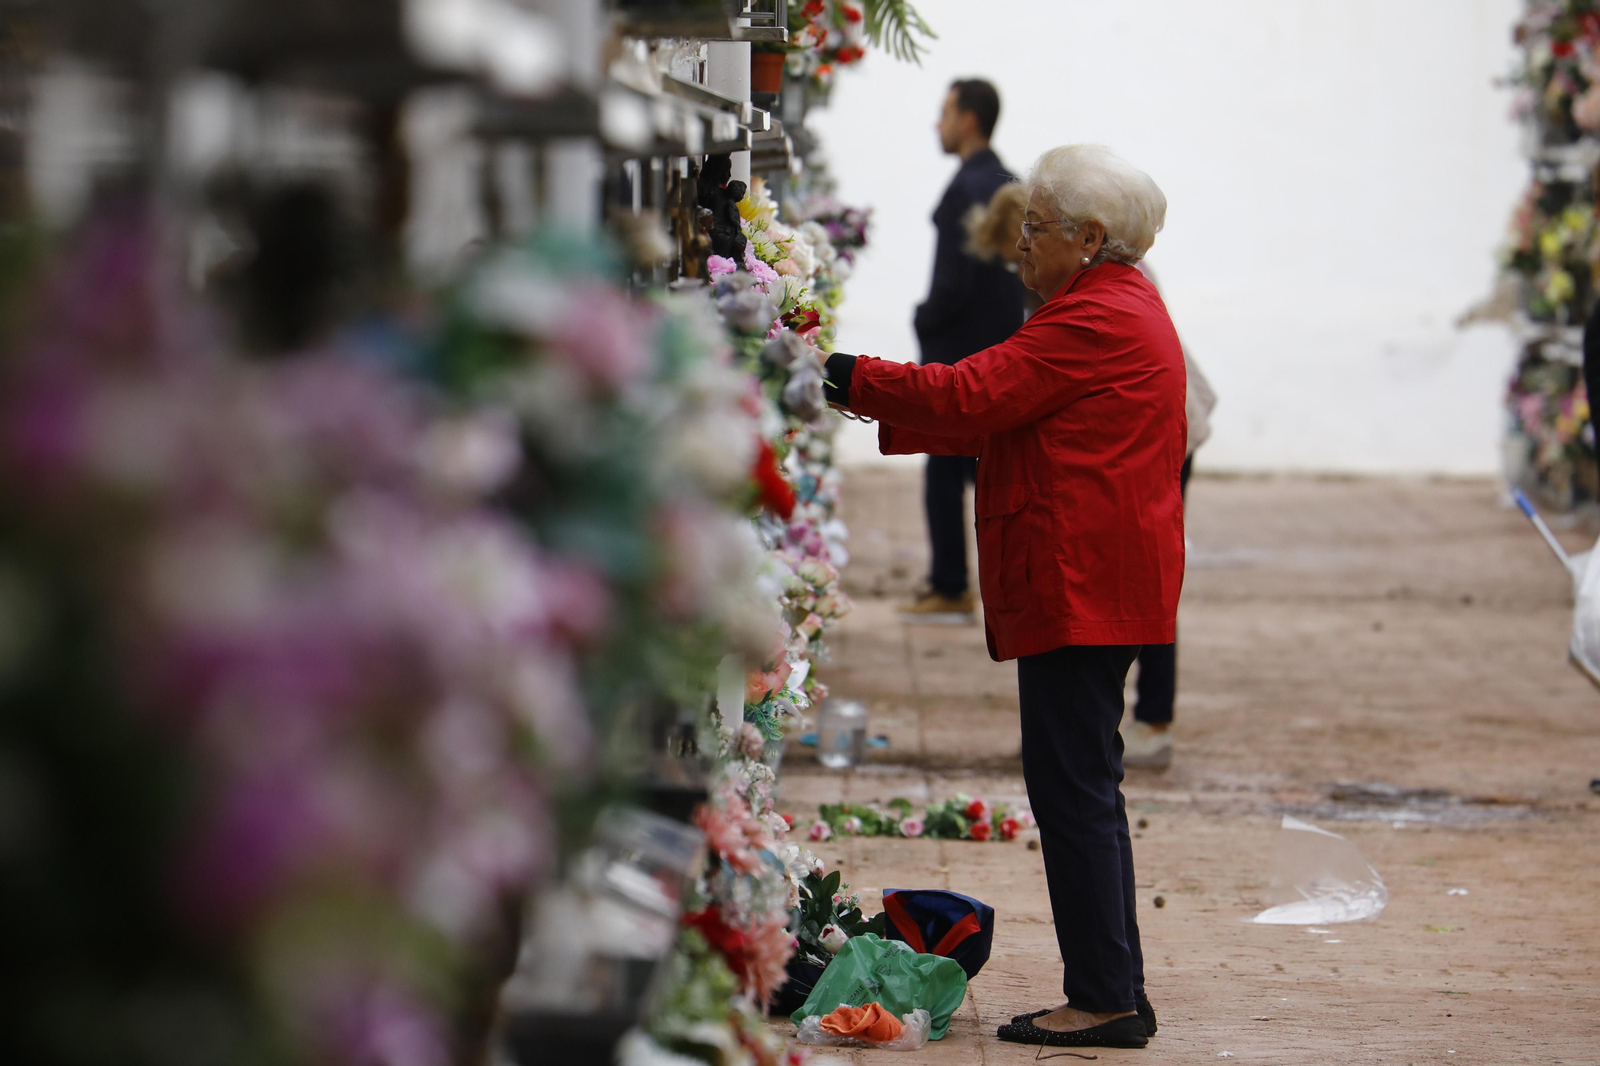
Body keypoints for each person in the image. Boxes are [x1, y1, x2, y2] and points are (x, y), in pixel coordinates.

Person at [821, 144, 1184, 1049]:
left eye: (1037, 229)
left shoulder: (1093, 317)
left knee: (1073, 791)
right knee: (1083, 786)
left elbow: (975, 391)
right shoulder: (1112, 301)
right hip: (1101, 576)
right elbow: (994, 404)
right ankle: (1114, 986)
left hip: (1084, 583)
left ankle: (1105, 997)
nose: (1019, 245)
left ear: (1091, 239)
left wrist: (838, 376)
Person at [903, 78, 1027, 623]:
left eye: (945, 112)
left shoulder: (963, 188)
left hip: (957, 355)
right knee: (1001, 475)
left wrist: (922, 318)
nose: (939, 123)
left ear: (969, 119)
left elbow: (951, 286)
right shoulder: (1010, 182)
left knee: (943, 474)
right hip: (1003, 352)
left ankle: (951, 586)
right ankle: (1018, 587)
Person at [1121, 266, 1218, 770]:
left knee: (1149, 577)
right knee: (1143, 576)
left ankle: (1154, 720)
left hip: (1164, 434)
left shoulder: (1105, 270)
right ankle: (1138, 719)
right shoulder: (1104, 254)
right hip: (1166, 427)